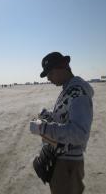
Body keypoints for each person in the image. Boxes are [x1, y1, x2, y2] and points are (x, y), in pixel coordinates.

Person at [30, 52, 94, 194]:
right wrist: (50, 115)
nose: (48, 78)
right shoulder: (68, 88)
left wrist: (43, 127)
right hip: (62, 161)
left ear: (63, 67)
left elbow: (79, 134)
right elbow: (66, 118)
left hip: (68, 164)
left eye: (50, 73)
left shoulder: (78, 91)